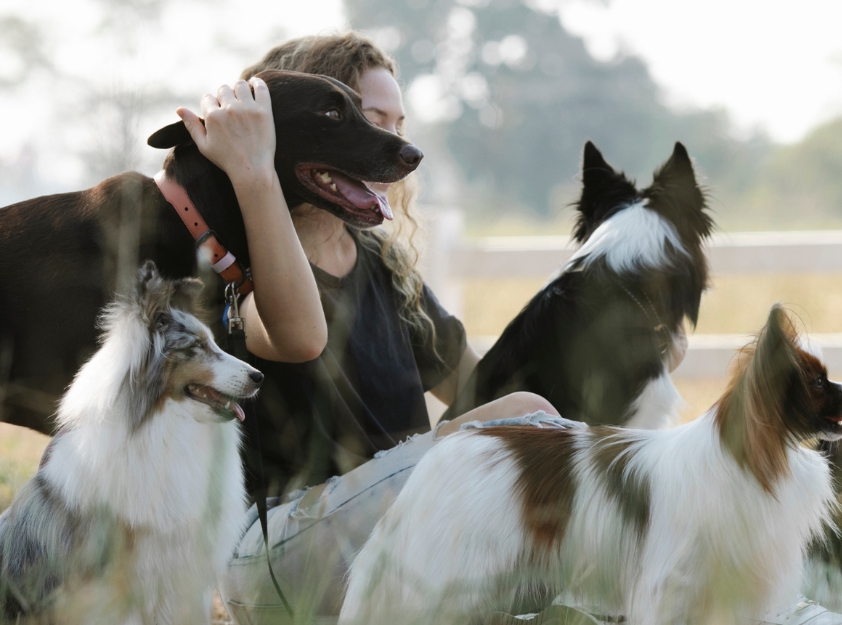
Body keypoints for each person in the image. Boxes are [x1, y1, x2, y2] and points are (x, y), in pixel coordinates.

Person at [172, 33, 568, 621]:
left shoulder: (382, 263)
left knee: (544, 448)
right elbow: (293, 336)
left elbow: (482, 390)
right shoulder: (235, 266)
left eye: (397, 123)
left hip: (391, 541)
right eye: (365, 116)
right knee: (531, 415)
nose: (393, 143)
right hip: (278, 553)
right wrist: (255, 174)